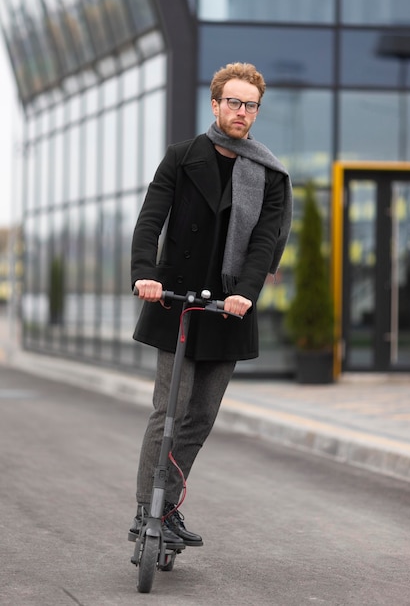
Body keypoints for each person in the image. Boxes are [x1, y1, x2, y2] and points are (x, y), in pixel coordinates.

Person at [128, 62, 292, 548]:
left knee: (201, 415)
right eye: (234, 102)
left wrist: (245, 291)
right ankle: (146, 509)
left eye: (251, 105)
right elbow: (150, 219)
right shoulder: (182, 157)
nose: (242, 112)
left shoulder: (269, 172)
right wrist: (144, 274)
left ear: (256, 111)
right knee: (170, 409)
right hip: (174, 299)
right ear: (216, 104)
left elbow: (264, 241)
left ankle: (170, 505)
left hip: (229, 306)